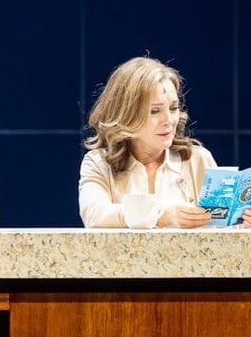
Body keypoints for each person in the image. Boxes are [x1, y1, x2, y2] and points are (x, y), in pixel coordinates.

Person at [79, 56, 218, 229]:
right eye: (154, 111)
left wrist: (242, 225)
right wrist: (160, 216)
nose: (169, 120)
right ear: (126, 115)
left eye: (173, 108)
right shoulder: (98, 163)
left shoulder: (198, 159)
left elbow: (221, 231)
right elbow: (94, 215)